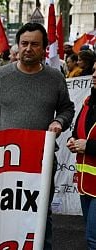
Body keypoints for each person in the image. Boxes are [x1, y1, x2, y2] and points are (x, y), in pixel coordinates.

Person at [0, 22, 75, 250]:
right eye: (24, 43)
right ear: (17, 46)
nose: (28, 48)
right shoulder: (1, 76)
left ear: (44, 48)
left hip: (42, 160)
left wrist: (59, 121)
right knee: (5, 212)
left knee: (41, 214)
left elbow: (67, 108)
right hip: (6, 161)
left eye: (34, 44)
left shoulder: (55, 78)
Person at [66, 61, 96, 250]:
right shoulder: (87, 102)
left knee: (93, 239)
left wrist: (89, 146)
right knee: (91, 236)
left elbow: (88, 143)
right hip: (87, 184)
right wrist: (73, 141)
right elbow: (79, 132)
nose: (94, 75)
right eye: (94, 71)